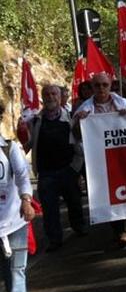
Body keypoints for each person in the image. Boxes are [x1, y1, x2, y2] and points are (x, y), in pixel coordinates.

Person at [73, 73, 126, 248]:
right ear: (91, 88)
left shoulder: (125, 104)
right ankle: (118, 230)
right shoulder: (84, 110)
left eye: (105, 85)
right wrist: (80, 122)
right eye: (97, 85)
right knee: (107, 196)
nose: (101, 89)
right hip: (99, 162)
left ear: (110, 86)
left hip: (122, 157)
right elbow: (76, 136)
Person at [23, 84, 85, 251]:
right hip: (46, 172)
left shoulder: (71, 117)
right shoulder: (35, 121)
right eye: (47, 94)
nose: (50, 97)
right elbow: (27, 145)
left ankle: (80, 229)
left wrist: (76, 169)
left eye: (53, 94)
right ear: (43, 97)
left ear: (60, 97)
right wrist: (21, 133)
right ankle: (54, 240)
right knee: (49, 209)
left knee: (74, 203)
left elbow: (80, 142)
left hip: (68, 169)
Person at [0, 100, 36, 292]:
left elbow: (23, 176)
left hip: (13, 221)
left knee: (15, 272)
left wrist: (26, 200)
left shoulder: (9, 148)